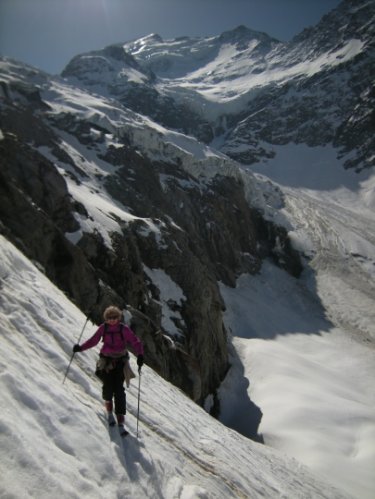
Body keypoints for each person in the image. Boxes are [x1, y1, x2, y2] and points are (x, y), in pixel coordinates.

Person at [73, 305, 144, 433]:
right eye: (109, 318)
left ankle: (120, 420)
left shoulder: (123, 329)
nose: (112, 320)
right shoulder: (103, 328)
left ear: (119, 318)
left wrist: (140, 355)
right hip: (106, 361)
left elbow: (135, 341)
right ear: (106, 318)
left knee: (119, 391)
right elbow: (93, 340)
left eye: (115, 317)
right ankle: (110, 413)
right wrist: (81, 348)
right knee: (108, 387)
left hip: (120, 362)